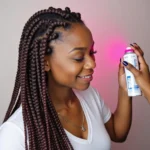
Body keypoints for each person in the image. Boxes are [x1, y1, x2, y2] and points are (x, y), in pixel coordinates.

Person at [0, 7, 133, 150]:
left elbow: (117, 133)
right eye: (78, 57)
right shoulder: (15, 134)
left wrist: (125, 88)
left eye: (92, 52)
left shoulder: (90, 95)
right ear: (45, 62)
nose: (92, 63)